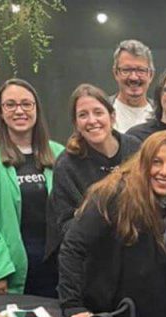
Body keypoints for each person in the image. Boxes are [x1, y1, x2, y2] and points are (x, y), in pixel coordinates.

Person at [58, 131, 166, 317]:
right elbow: (73, 246)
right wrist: (72, 305)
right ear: (143, 163)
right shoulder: (111, 195)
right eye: (157, 162)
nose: (165, 172)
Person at [0, 79, 64, 297]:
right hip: (6, 273)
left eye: (26, 104)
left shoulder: (61, 155)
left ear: (37, 109)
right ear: (1, 112)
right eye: (10, 104)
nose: (19, 110)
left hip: (55, 272)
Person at [46, 84, 141, 255]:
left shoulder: (135, 149)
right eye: (83, 115)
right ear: (76, 124)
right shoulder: (66, 165)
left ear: (112, 116)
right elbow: (65, 226)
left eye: (98, 112)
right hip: (91, 259)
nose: (92, 120)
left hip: (135, 252)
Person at [110, 39, 155, 133]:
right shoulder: (102, 112)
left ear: (151, 75)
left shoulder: (162, 115)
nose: (133, 77)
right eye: (126, 70)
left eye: (141, 70)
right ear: (115, 73)